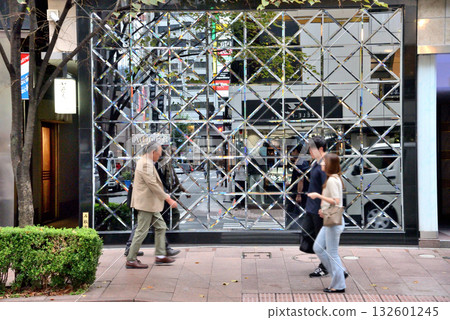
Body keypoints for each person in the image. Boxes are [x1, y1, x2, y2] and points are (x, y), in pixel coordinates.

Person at [125, 141, 179, 269]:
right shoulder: (145, 164)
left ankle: (160, 256)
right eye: (159, 154)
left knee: (160, 227)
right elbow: (152, 184)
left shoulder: (147, 162)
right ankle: (131, 259)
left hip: (149, 203)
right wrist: (168, 199)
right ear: (153, 152)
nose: (159, 156)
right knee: (141, 231)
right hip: (146, 204)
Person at [307, 153, 347, 293]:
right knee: (318, 247)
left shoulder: (332, 180)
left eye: (324, 162)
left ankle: (339, 284)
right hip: (329, 220)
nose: (321, 164)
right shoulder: (333, 179)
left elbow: (336, 201)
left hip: (333, 221)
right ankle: (340, 273)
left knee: (332, 253)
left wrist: (317, 196)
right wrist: (323, 208)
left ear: (329, 165)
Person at [304, 136, 329, 277]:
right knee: (309, 235)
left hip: (319, 209)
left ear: (320, 149)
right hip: (312, 207)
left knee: (321, 241)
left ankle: (326, 267)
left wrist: (323, 207)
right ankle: (330, 265)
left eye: (311, 149)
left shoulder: (324, 165)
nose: (310, 152)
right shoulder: (316, 163)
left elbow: (327, 187)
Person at [158, 148, 191, 230]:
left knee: (169, 214)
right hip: (166, 194)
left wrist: (184, 190)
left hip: (171, 193)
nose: (174, 157)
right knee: (174, 213)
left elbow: (175, 181)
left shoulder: (170, 166)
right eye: (173, 154)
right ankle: (171, 232)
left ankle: (169, 231)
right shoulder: (163, 165)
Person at [285, 144, 310, 230]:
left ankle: (294, 227)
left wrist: (298, 194)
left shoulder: (300, 163)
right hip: (302, 190)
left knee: (295, 211)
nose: (292, 153)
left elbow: (301, 179)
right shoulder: (303, 162)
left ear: (297, 152)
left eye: (293, 151)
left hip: (299, 192)